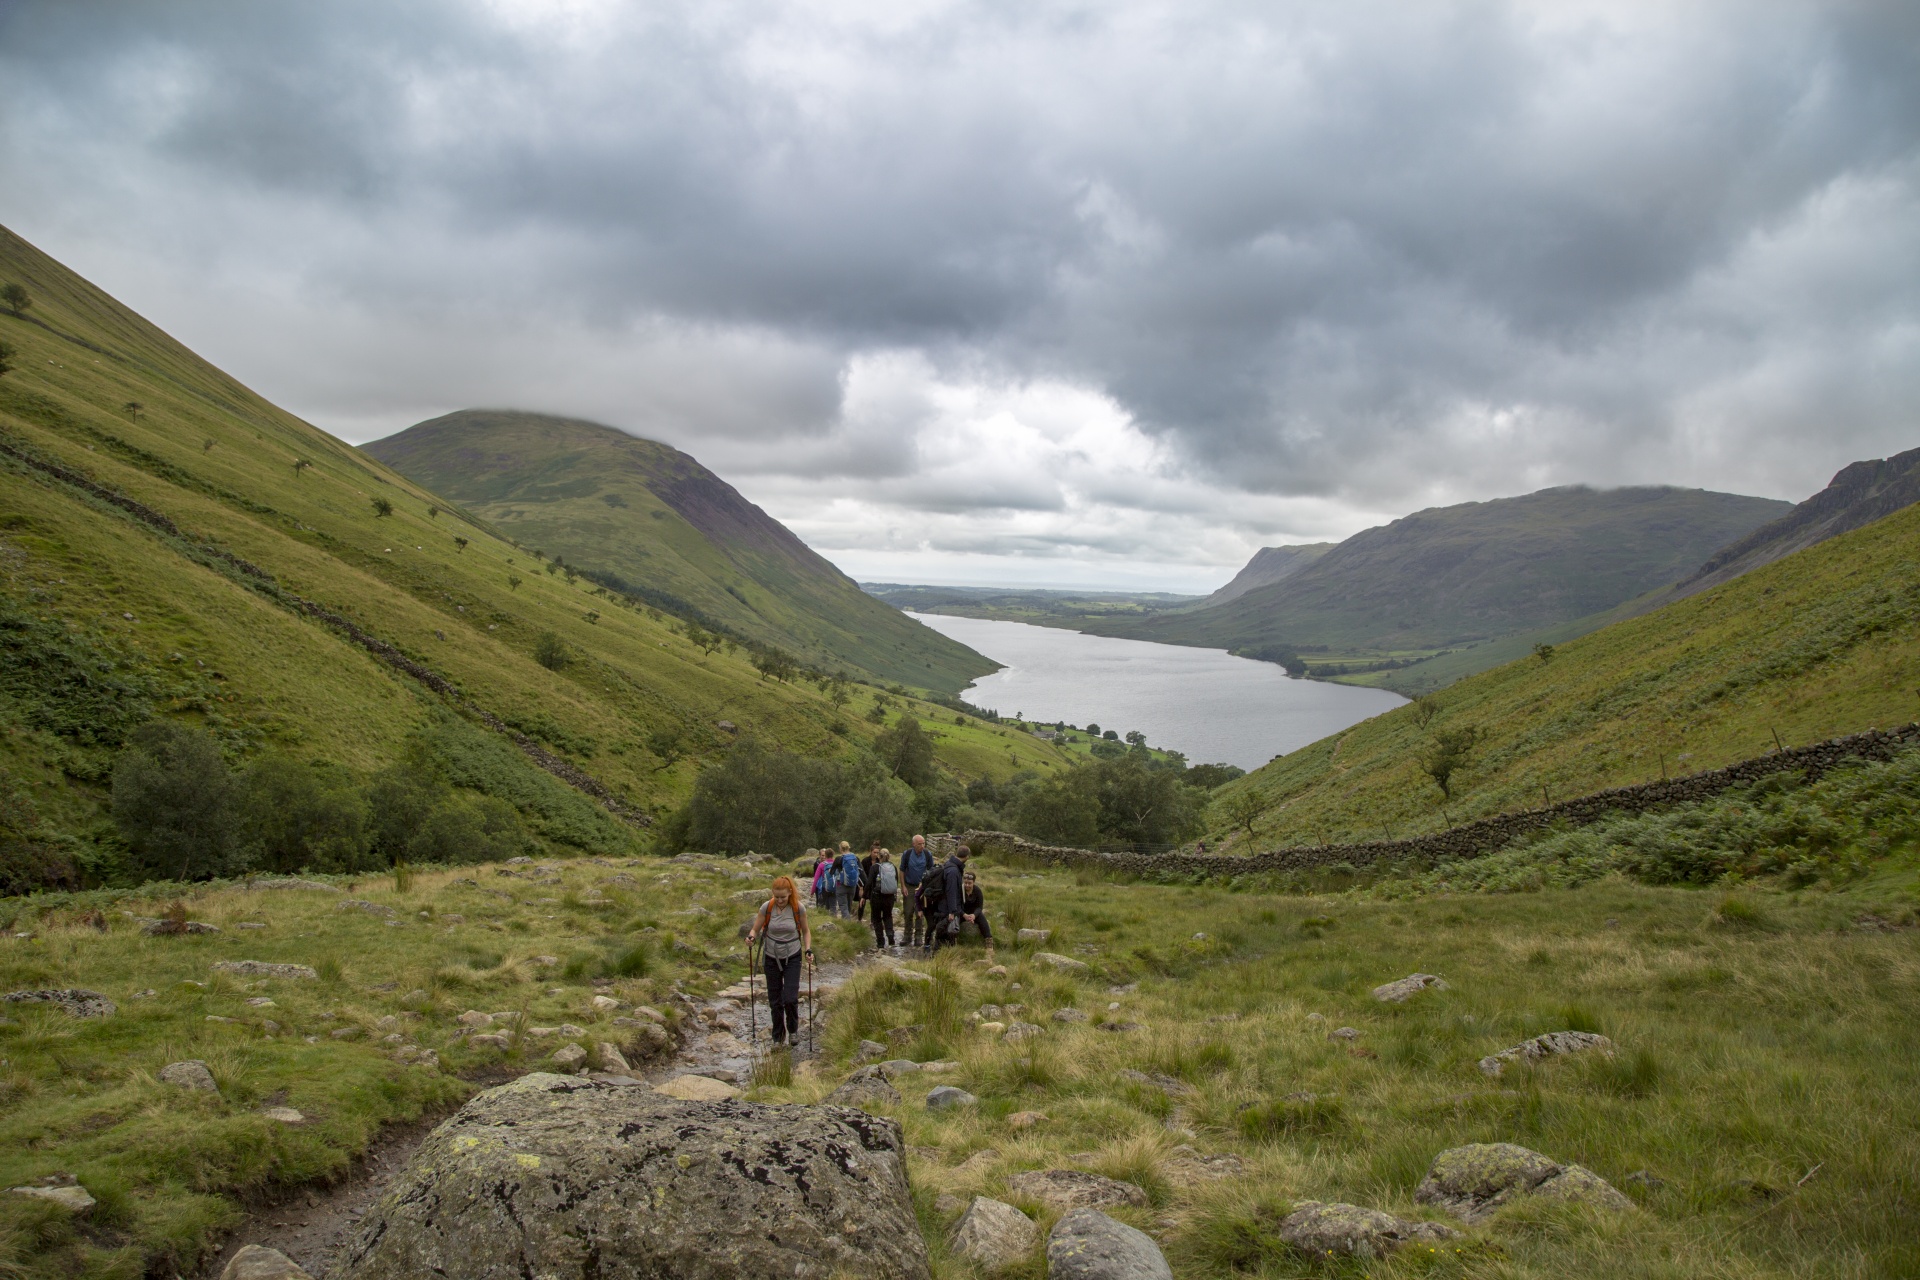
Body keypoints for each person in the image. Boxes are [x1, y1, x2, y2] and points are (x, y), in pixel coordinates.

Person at [744, 875, 813, 1046]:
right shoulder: (767, 907)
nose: (780, 900)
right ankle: (777, 1037)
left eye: (783, 897)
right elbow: (755, 928)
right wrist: (751, 937)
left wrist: (808, 949)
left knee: (790, 998)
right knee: (775, 1000)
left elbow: (805, 931)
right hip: (771, 957)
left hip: (793, 956)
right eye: (776, 897)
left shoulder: (798, 908)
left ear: (790, 892)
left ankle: (793, 1030)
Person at [931, 843, 970, 954]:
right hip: (947, 911)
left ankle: (941, 960)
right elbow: (951, 891)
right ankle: (939, 961)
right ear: (967, 857)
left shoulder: (949, 864)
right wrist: (952, 912)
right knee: (945, 938)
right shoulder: (953, 871)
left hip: (942, 908)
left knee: (943, 937)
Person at [899, 835, 935, 948]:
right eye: (919, 844)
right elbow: (902, 870)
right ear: (914, 844)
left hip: (922, 887)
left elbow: (932, 871)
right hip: (909, 886)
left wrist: (926, 885)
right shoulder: (907, 854)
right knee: (908, 911)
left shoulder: (927, 854)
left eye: (923, 843)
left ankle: (918, 936)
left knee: (919, 912)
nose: (922, 846)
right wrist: (903, 886)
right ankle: (907, 935)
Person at [868, 847, 899, 949]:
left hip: (877, 897)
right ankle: (890, 936)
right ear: (889, 856)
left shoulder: (874, 867)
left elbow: (869, 883)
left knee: (877, 919)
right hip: (889, 897)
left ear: (878, 856)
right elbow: (896, 881)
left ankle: (880, 942)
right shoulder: (893, 867)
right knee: (888, 916)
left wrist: (864, 896)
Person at [957, 868, 993, 951]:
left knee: (982, 919)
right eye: (965, 883)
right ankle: (954, 941)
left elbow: (979, 907)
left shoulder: (977, 891)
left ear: (974, 883)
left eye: (969, 883)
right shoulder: (959, 890)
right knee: (954, 921)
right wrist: (964, 915)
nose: (967, 885)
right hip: (962, 912)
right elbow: (957, 905)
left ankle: (989, 941)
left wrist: (974, 915)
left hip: (974, 913)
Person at [834, 841, 860, 919]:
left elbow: (832, 872)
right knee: (848, 905)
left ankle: (847, 925)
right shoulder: (855, 857)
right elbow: (860, 871)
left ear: (840, 849)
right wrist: (862, 886)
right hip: (852, 885)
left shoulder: (839, 858)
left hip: (841, 884)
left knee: (843, 906)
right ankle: (848, 924)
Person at [856, 842, 879, 921]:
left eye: (877, 853)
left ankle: (873, 921)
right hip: (865, 885)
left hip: (875, 886)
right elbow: (860, 874)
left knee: (874, 905)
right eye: (874, 852)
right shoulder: (865, 861)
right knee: (862, 902)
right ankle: (859, 919)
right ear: (870, 852)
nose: (876, 854)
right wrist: (861, 888)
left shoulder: (879, 862)